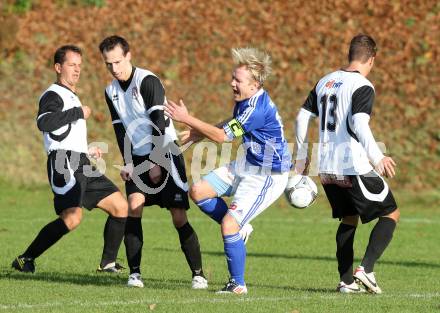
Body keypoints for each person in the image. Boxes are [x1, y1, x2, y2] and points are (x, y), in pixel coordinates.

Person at [165, 47, 292, 294]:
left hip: (267, 175)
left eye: (238, 80)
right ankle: (240, 226)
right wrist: (200, 132)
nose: (232, 83)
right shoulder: (246, 101)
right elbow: (230, 123)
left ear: (254, 85)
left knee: (228, 225)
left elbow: (224, 137)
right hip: (248, 165)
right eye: (232, 78)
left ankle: (237, 284)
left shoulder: (258, 108)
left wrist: (187, 119)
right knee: (199, 191)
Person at [294, 34, 400, 294]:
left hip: (327, 167)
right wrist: (378, 157)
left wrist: (301, 155)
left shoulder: (325, 81)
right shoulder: (362, 85)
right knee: (391, 213)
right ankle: (366, 269)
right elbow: (359, 123)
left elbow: (301, 117)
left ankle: (346, 282)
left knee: (349, 218)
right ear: (371, 59)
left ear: (350, 55)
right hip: (353, 165)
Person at [98, 35, 207, 289]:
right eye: (108, 64)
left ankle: (198, 274)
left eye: (117, 61)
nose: (114, 68)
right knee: (133, 207)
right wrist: (127, 162)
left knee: (178, 216)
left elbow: (158, 121)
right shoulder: (110, 91)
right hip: (136, 156)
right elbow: (120, 130)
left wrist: (156, 161)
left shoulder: (147, 81)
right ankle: (134, 274)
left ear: (128, 56)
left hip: (165, 151)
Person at [12, 45, 128, 275]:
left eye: (79, 66)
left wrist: (86, 151)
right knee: (73, 218)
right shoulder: (53, 94)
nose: (77, 70)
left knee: (120, 206)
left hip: (80, 161)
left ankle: (107, 263)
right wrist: (78, 112)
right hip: (63, 163)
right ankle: (26, 258)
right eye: (72, 65)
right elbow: (44, 123)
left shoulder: (71, 95)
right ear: (58, 67)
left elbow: (63, 134)